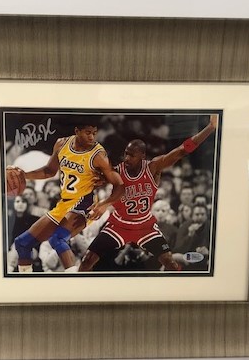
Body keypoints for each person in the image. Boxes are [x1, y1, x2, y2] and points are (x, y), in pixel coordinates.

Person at [79, 115, 217, 272]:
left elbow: (181, 150)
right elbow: (93, 178)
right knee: (87, 260)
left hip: (145, 226)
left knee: (170, 263)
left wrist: (210, 128)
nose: (126, 158)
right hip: (119, 224)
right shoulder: (117, 171)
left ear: (142, 156)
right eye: (126, 153)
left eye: (131, 155)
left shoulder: (153, 168)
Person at [13, 120, 124, 272]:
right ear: (77, 131)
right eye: (88, 133)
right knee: (22, 243)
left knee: (57, 238)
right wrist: (24, 175)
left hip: (85, 203)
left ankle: (75, 281)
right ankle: (25, 281)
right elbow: (48, 171)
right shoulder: (61, 144)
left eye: (94, 133)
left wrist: (105, 204)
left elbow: (120, 185)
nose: (92, 137)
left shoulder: (98, 154)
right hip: (65, 203)